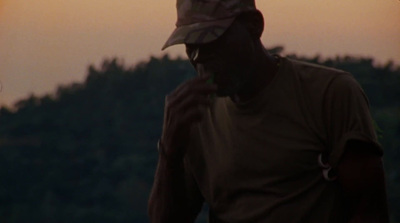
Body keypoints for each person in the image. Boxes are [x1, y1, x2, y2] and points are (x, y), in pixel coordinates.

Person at [148, 0, 389, 222]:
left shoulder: (330, 94)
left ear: (255, 26)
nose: (200, 59)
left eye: (211, 41)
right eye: (191, 47)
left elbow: (369, 211)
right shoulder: (195, 116)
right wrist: (169, 151)